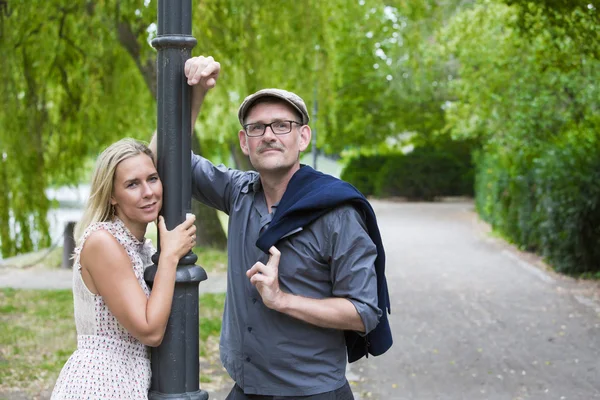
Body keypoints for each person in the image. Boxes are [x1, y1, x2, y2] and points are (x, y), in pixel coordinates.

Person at [151, 56, 392, 399]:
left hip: (311, 392)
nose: (268, 136)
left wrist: (282, 300)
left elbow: (364, 312)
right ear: (245, 142)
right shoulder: (238, 192)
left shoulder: (336, 211)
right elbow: (165, 159)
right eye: (257, 128)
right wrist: (195, 95)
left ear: (303, 137)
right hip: (245, 388)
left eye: (282, 125)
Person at [51, 138, 197, 400]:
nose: (148, 192)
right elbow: (149, 330)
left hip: (128, 381)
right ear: (112, 195)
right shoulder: (102, 242)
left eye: (152, 179)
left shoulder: (137, 245)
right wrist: (170, 256)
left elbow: (167, 136)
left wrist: (193, 98)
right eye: (132, 184)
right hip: (100, 384)